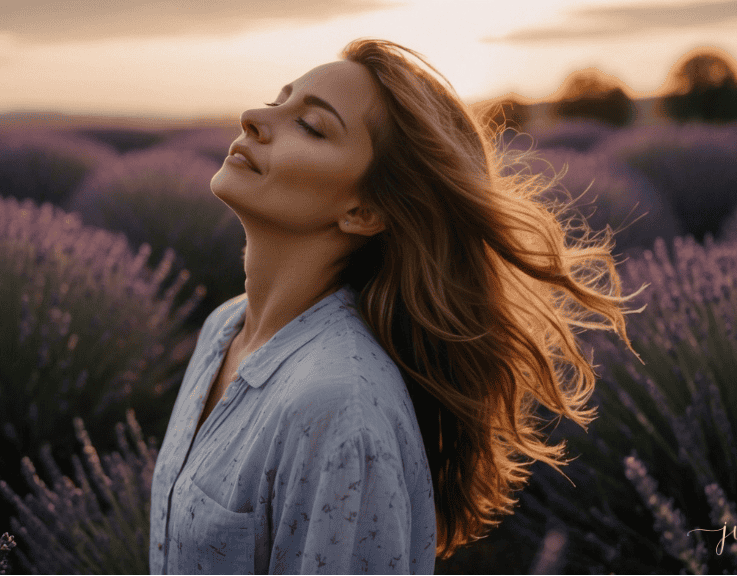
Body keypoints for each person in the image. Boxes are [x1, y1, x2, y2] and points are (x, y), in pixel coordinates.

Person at [149, 38, 637, 574]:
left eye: (311, 125)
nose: (253, 118)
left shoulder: (336, 408)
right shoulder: (225, 327)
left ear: (364, 211)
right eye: (276, 100)